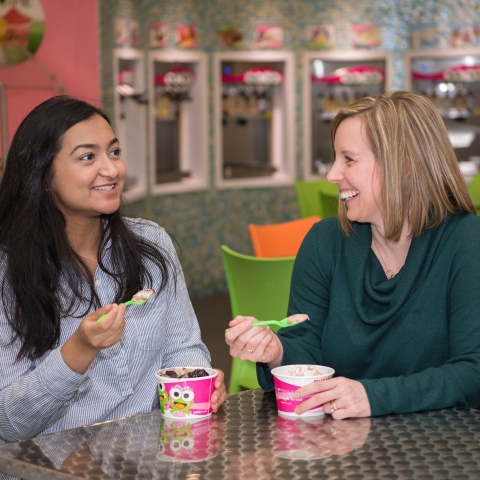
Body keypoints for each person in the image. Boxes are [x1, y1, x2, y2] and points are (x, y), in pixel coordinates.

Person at [226, 90, 480, 419]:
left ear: (403, 164)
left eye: (348, 159)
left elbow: (472, 373)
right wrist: (276, 351)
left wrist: (372, 396)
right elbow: (308, 353)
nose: (332, 174)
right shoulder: (325, 241)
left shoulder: (467, 242)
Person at [0, 95, 226, 443]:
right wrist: (78, 351)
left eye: (115, 152)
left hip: (147, 458)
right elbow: (7, 424)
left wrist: (197, 379)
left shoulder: (151, 245)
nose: (112, 169)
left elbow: (184, 347)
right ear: (42, 173)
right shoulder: (8, 270)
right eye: (88, 157)